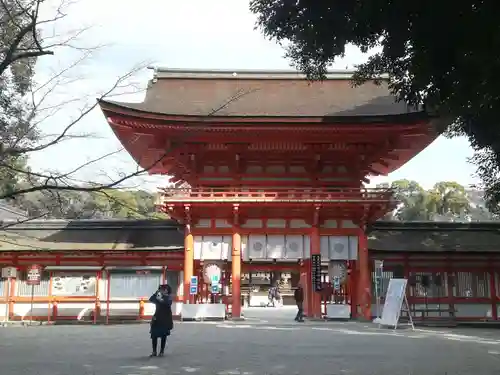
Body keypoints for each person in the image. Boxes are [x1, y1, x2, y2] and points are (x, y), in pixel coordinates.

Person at [148, 284, 174, 357]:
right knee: (154, 335)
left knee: (163, 335)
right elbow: (151, 299)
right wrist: (156, 293)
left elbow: (168, 303)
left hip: (165, 319)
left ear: (167, 290)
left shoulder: (168, 297)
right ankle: (154, 351)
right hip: (157, 318)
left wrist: (161, 299)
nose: (162, 290)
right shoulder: (158, 297)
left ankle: (162, 351)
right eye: (162, 289)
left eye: (164, 289)